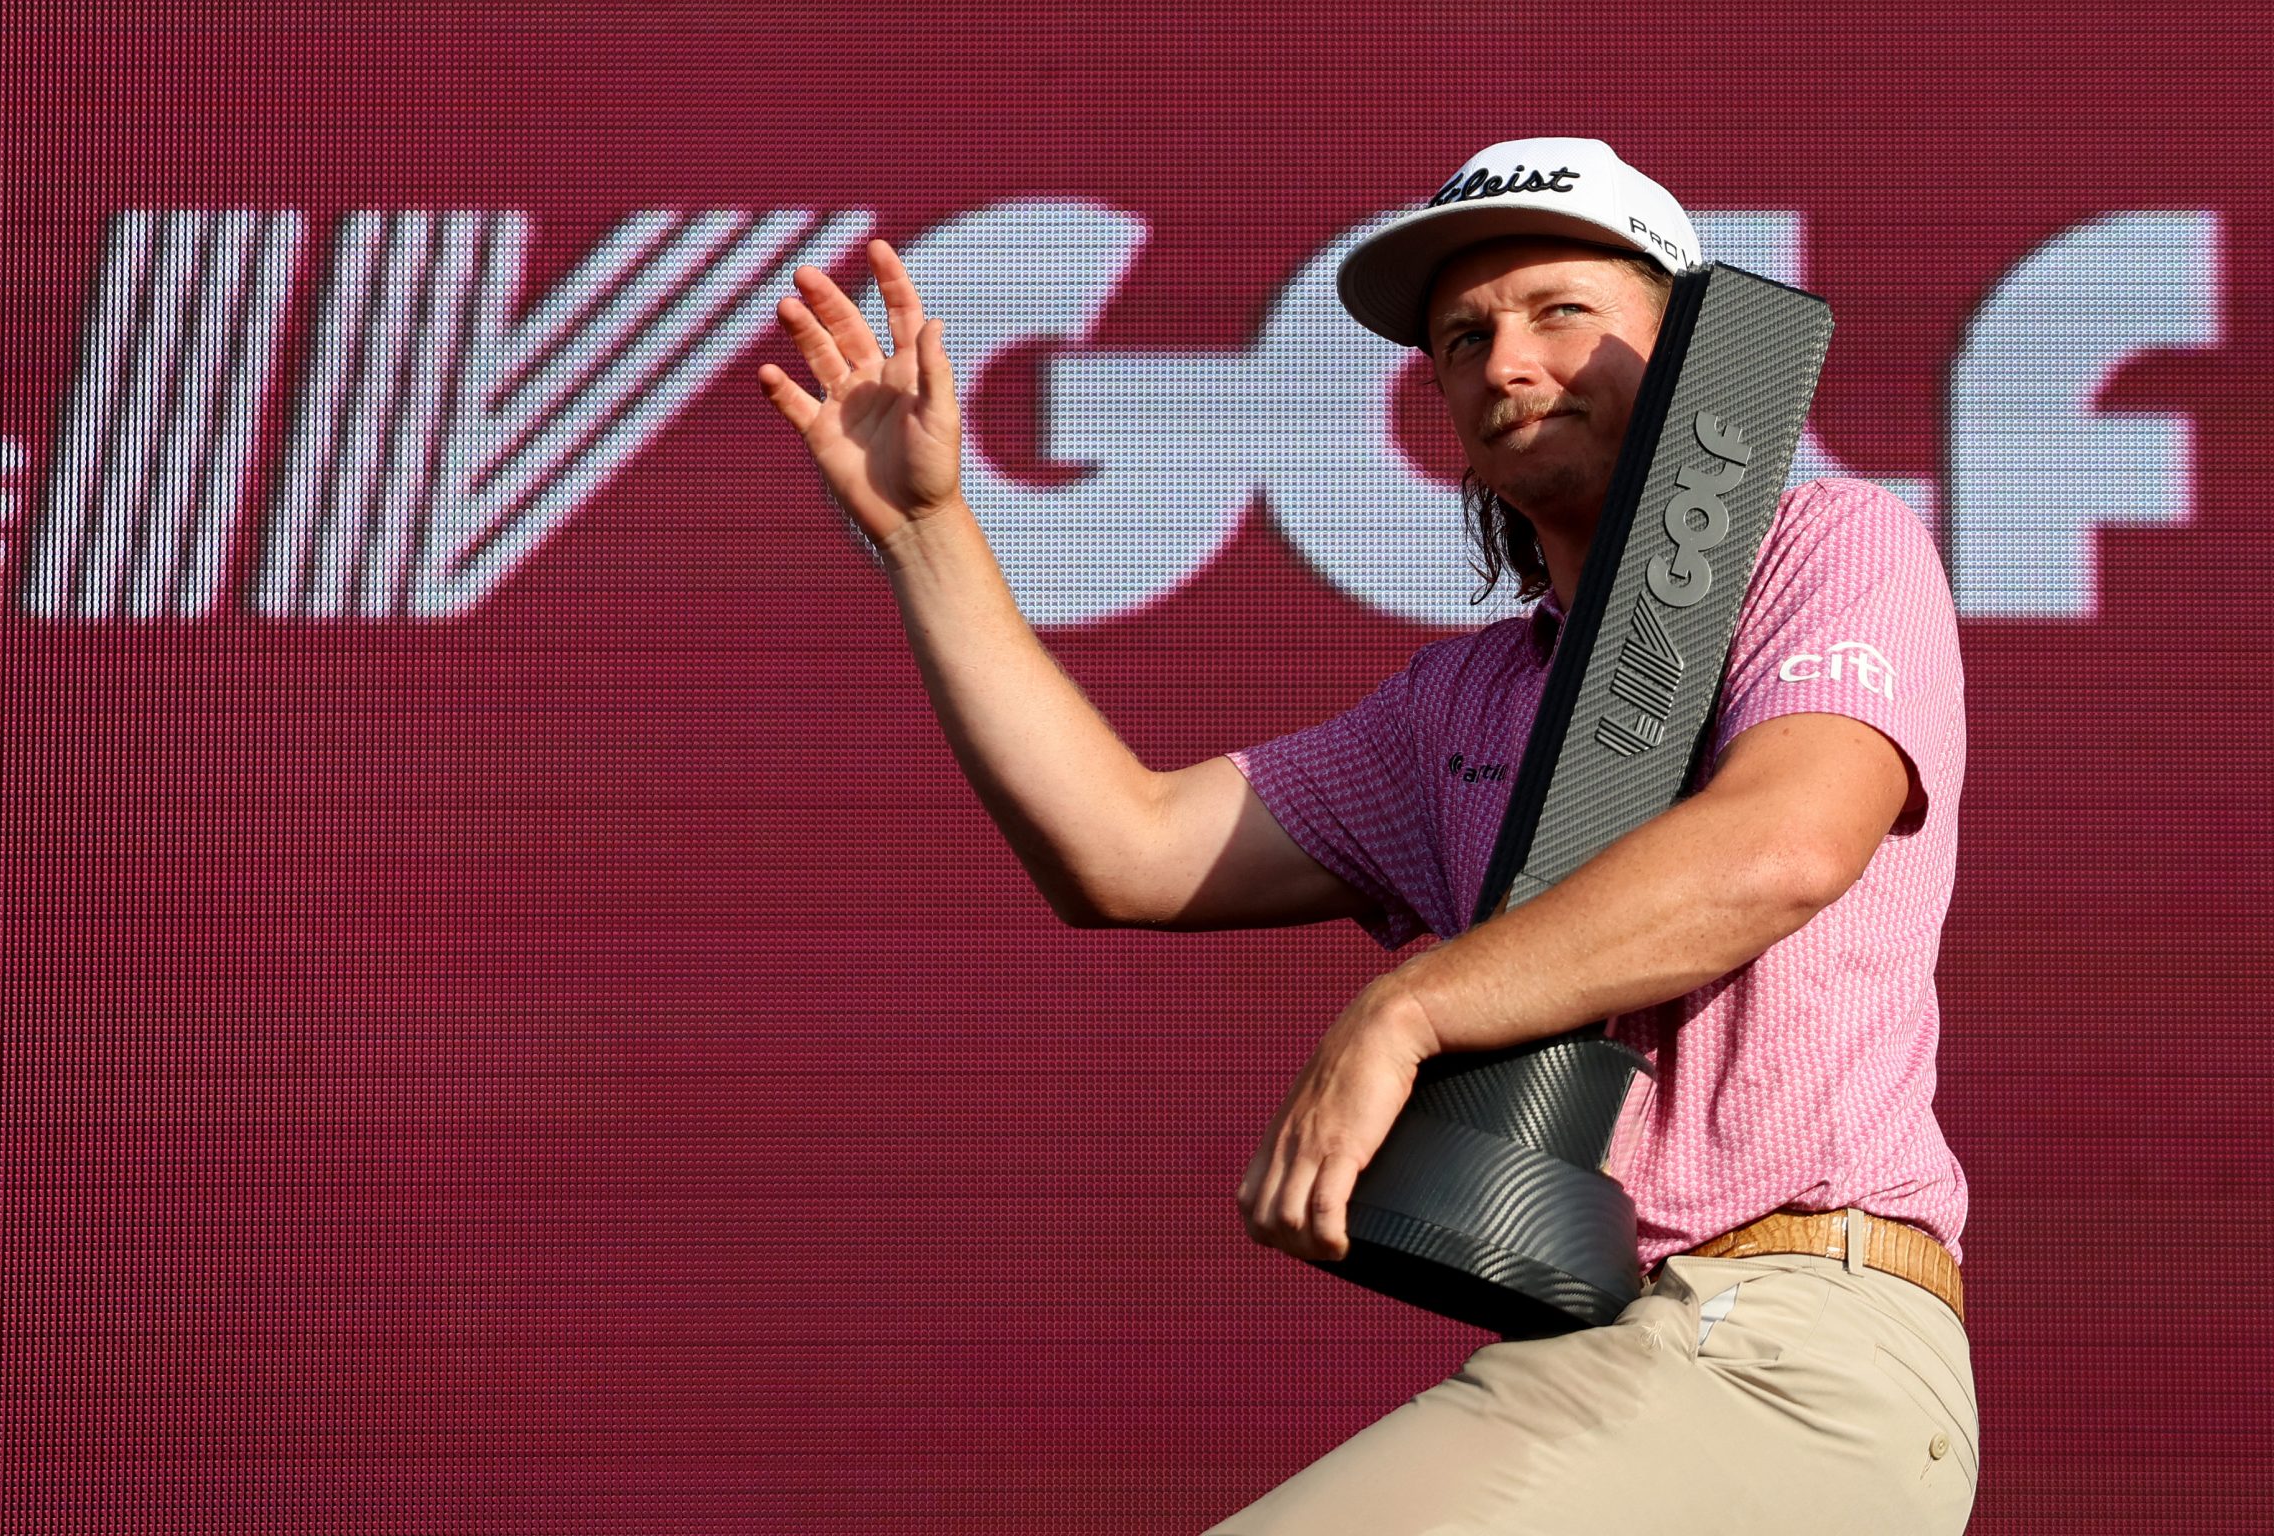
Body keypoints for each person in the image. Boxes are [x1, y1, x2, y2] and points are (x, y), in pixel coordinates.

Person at [756, 136, 1978, 1535]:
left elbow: (1786, 843)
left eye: (1562, 311)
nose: (1507, 363)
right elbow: (1131, 847)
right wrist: (927, 532)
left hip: (1788, 1344)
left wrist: (1408, 1009)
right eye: (1464, 338)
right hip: (1604, 1355)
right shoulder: (1457, 703)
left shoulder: (1827, 543)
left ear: (1688, 339)